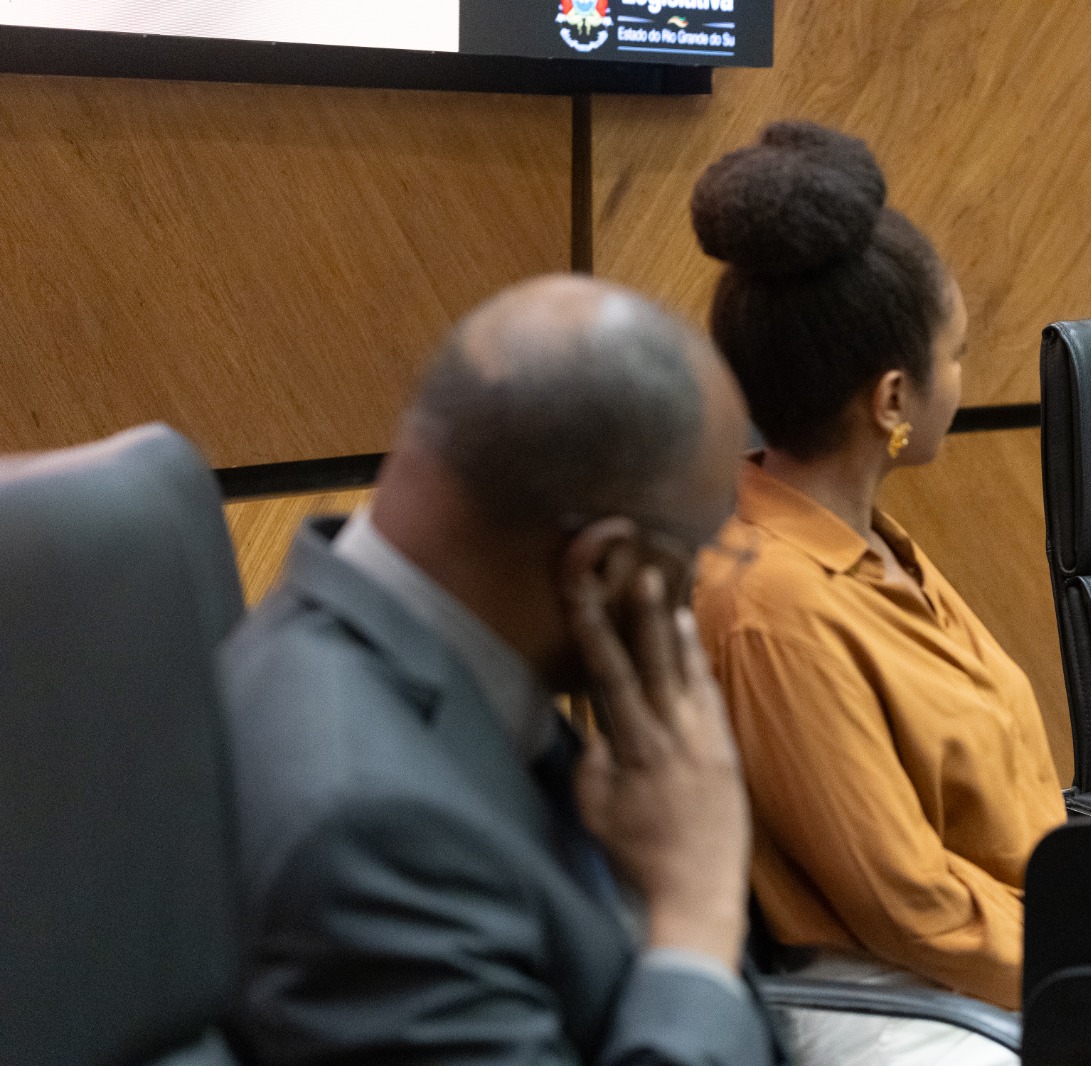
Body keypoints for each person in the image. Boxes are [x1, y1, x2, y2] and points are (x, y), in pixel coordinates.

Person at [220, 275, 783, 1065]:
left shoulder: (456, 660)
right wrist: (697, 912)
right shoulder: (367, 831)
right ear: (603, 570)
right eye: (710, 548)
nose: (708, 582)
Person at [688, 121, 1063, 1063]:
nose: (964, 378)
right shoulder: (770, 602)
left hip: (1009, 966)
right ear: (893, 400)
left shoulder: (871, 543)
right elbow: (909, 907)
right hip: (898, 1007)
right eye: (961, 352)